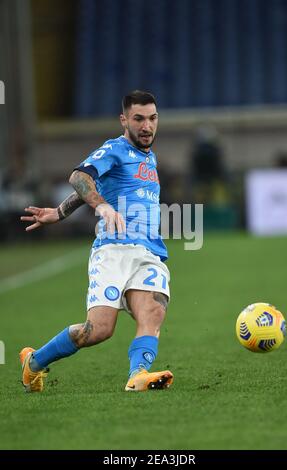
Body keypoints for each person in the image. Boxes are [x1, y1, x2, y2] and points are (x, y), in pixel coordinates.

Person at [20, 90, 173, 392]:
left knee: (153, 311)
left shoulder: (148, 156)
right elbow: (80, 177)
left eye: (152, 118)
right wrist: (101, 205)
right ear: (124, 120)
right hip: (113, 251)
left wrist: (60, 212)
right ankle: (34, 363)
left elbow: (93, 185)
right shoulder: (114, 149)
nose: (147, 126)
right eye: (139, 119)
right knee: (98, 330)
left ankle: (137, 375)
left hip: (148, 251)